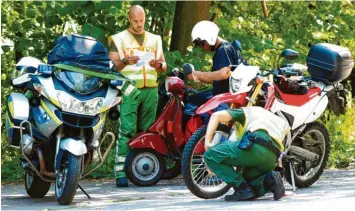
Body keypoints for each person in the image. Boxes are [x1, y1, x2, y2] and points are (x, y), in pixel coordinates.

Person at [108, 5, 167, 187]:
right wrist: (125, 61)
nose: (140, 24)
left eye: (142, 20)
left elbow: (165, 66)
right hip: (129, 90)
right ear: (129, 19)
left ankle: (142, 171)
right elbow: (111, 67)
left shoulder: (155, 39)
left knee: (147, 130)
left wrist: (159, 65)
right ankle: (120, 173)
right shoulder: (118, 39)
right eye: (136, 21)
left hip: (150, 89)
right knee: (127, 130)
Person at [204, 106, 290, 201]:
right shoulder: (280, 121)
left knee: (210, 155)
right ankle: (270, 179)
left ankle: (242, 188)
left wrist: (207, 142)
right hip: (272, 158)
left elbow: (216, 116)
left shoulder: (249, 111)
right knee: (250, 185)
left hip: (255, 148)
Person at [190, 21, 242, 96]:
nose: (201, 47)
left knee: (191, 103)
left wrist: (199, 75)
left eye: (201, 44)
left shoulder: (223, 49)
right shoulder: (223, 48)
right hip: (222, 95)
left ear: (208, 39)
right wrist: (197, 75)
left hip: (224, 98)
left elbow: (224, 74)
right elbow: (216, 79)